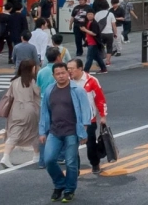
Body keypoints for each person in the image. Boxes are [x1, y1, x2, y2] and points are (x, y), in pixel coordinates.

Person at [38, 61, 90, 203]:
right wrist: (42, 131)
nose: (61, 76)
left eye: (63, 73)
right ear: (53, 76)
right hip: (54, 131)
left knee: (71, 162)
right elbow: (44, 112)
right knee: (48, 160)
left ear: (68, 73)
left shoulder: (77, 90)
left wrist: (84, 132)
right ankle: (60, 184)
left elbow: (86, 111)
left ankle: (69, 190)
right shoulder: (49, 90)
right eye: (58, 74)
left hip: (71, 132)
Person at [66, 58, 107, 175]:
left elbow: (100, 99)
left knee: (90, 144)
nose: (69, 71)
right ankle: (75, 169)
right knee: (72, 145)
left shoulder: (92, 81)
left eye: (72, 68)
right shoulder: (67, 82)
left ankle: (95, 163)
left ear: (80, 68)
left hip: (89, 119)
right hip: (71, 119)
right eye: (68, 68)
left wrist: (103, 116)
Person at [0, 59, 40, 169]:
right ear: (31, 68)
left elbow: (10, 95)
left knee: (14, 133)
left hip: (15, 109)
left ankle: (5, 156)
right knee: (34, 131)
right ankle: (36, 155)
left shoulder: (14, 81)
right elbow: (39, 93)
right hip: (29, 109)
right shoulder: (31, 81)